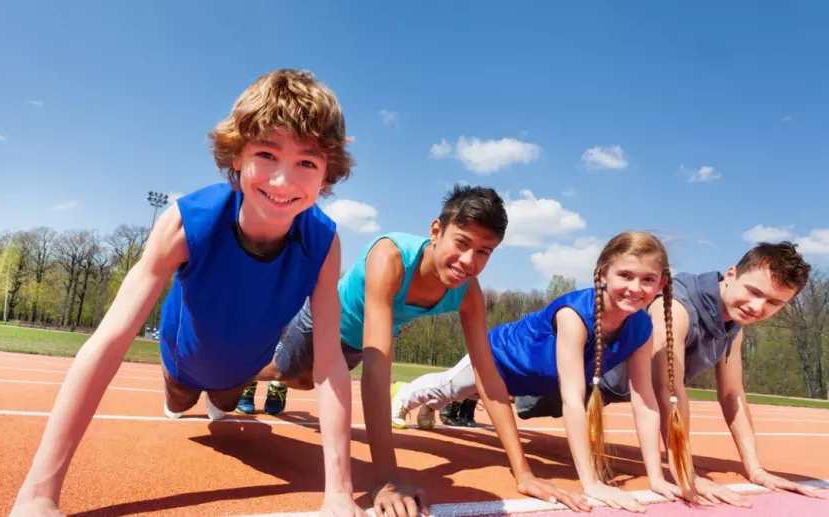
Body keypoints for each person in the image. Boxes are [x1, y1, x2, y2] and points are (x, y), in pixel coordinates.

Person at [8, 69, 364, 517]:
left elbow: (330, 361)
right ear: (237, 156)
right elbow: (110, 340)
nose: (282, 181)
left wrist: (339, 495)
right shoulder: (185, 221)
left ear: (327, 175)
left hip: (241, 370)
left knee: (223, 405)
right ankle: (175, 387)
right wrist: (39, 494)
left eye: (306, 163)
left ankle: (223, 394)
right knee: (180, 402)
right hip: (183, 360)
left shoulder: (324, 242)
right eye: (267, 154)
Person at [252, 185, 587, 516]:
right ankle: (244, 369)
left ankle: (257, 370)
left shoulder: (468, 294)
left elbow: (488, 377)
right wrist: (386, 479)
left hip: (354, 342)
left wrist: (524, 473)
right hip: (324, 322)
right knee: (286, 373)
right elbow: (377, 367)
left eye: (484, 252)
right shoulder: (391, 257)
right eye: (462, 243)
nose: (468, 261)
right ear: (436, 231)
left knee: (306, 383)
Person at [391, 230, 692, 513]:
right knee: (450, 387)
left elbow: (645, 401)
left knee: (453, 393)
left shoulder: (642, 329)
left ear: (661, 284)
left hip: (533, 382)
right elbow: (573, 401)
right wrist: (591, 483)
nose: (635, 288)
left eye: (648, 279)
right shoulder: (574, 315)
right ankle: (406, 395)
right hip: (499, 357)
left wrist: (657, 476)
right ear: (603, 274)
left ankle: (432, 405)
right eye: (625, 275)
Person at [646, 241, 823, 507]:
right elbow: (668, 389)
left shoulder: (732, 325)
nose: (756, 306)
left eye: (774, 302)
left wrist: (755, 469)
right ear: (731, 274)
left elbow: (731, 394)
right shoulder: (675, 306)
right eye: (753, 291)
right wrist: (685, 471)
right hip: (565, 383)